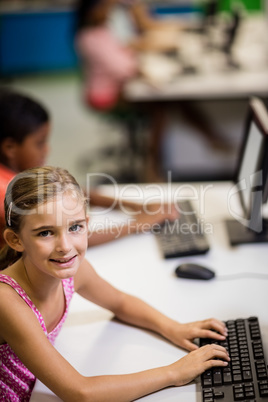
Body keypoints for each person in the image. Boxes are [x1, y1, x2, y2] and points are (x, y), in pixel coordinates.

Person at [0, 166, 230, 401]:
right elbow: (80, 393)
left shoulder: (71, 272)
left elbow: (120, 302)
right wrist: (175, 372)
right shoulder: (7, 301)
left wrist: (173, 328)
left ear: (87, 224)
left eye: (75, 227)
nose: (65, 246)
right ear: (15, 239)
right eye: (46, 233)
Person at [0, 88, 178, 249]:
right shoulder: (8, 194)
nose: (47, 149)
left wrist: (137, 206)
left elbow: (73, 192)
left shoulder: (20, 174)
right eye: (40, 143)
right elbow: (71, 240)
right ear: (10, 148)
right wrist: (139, 224)